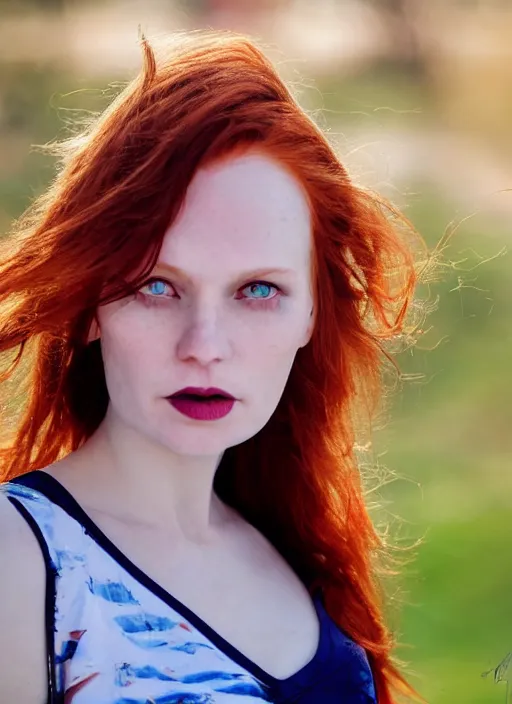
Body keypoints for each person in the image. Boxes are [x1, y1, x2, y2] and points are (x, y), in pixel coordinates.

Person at [0, 30, 429, 704]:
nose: (204, 344)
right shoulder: (19, 560)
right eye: (157, 287)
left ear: (311, 315)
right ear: (89, 307)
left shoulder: (299, 550)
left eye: (257, 290)